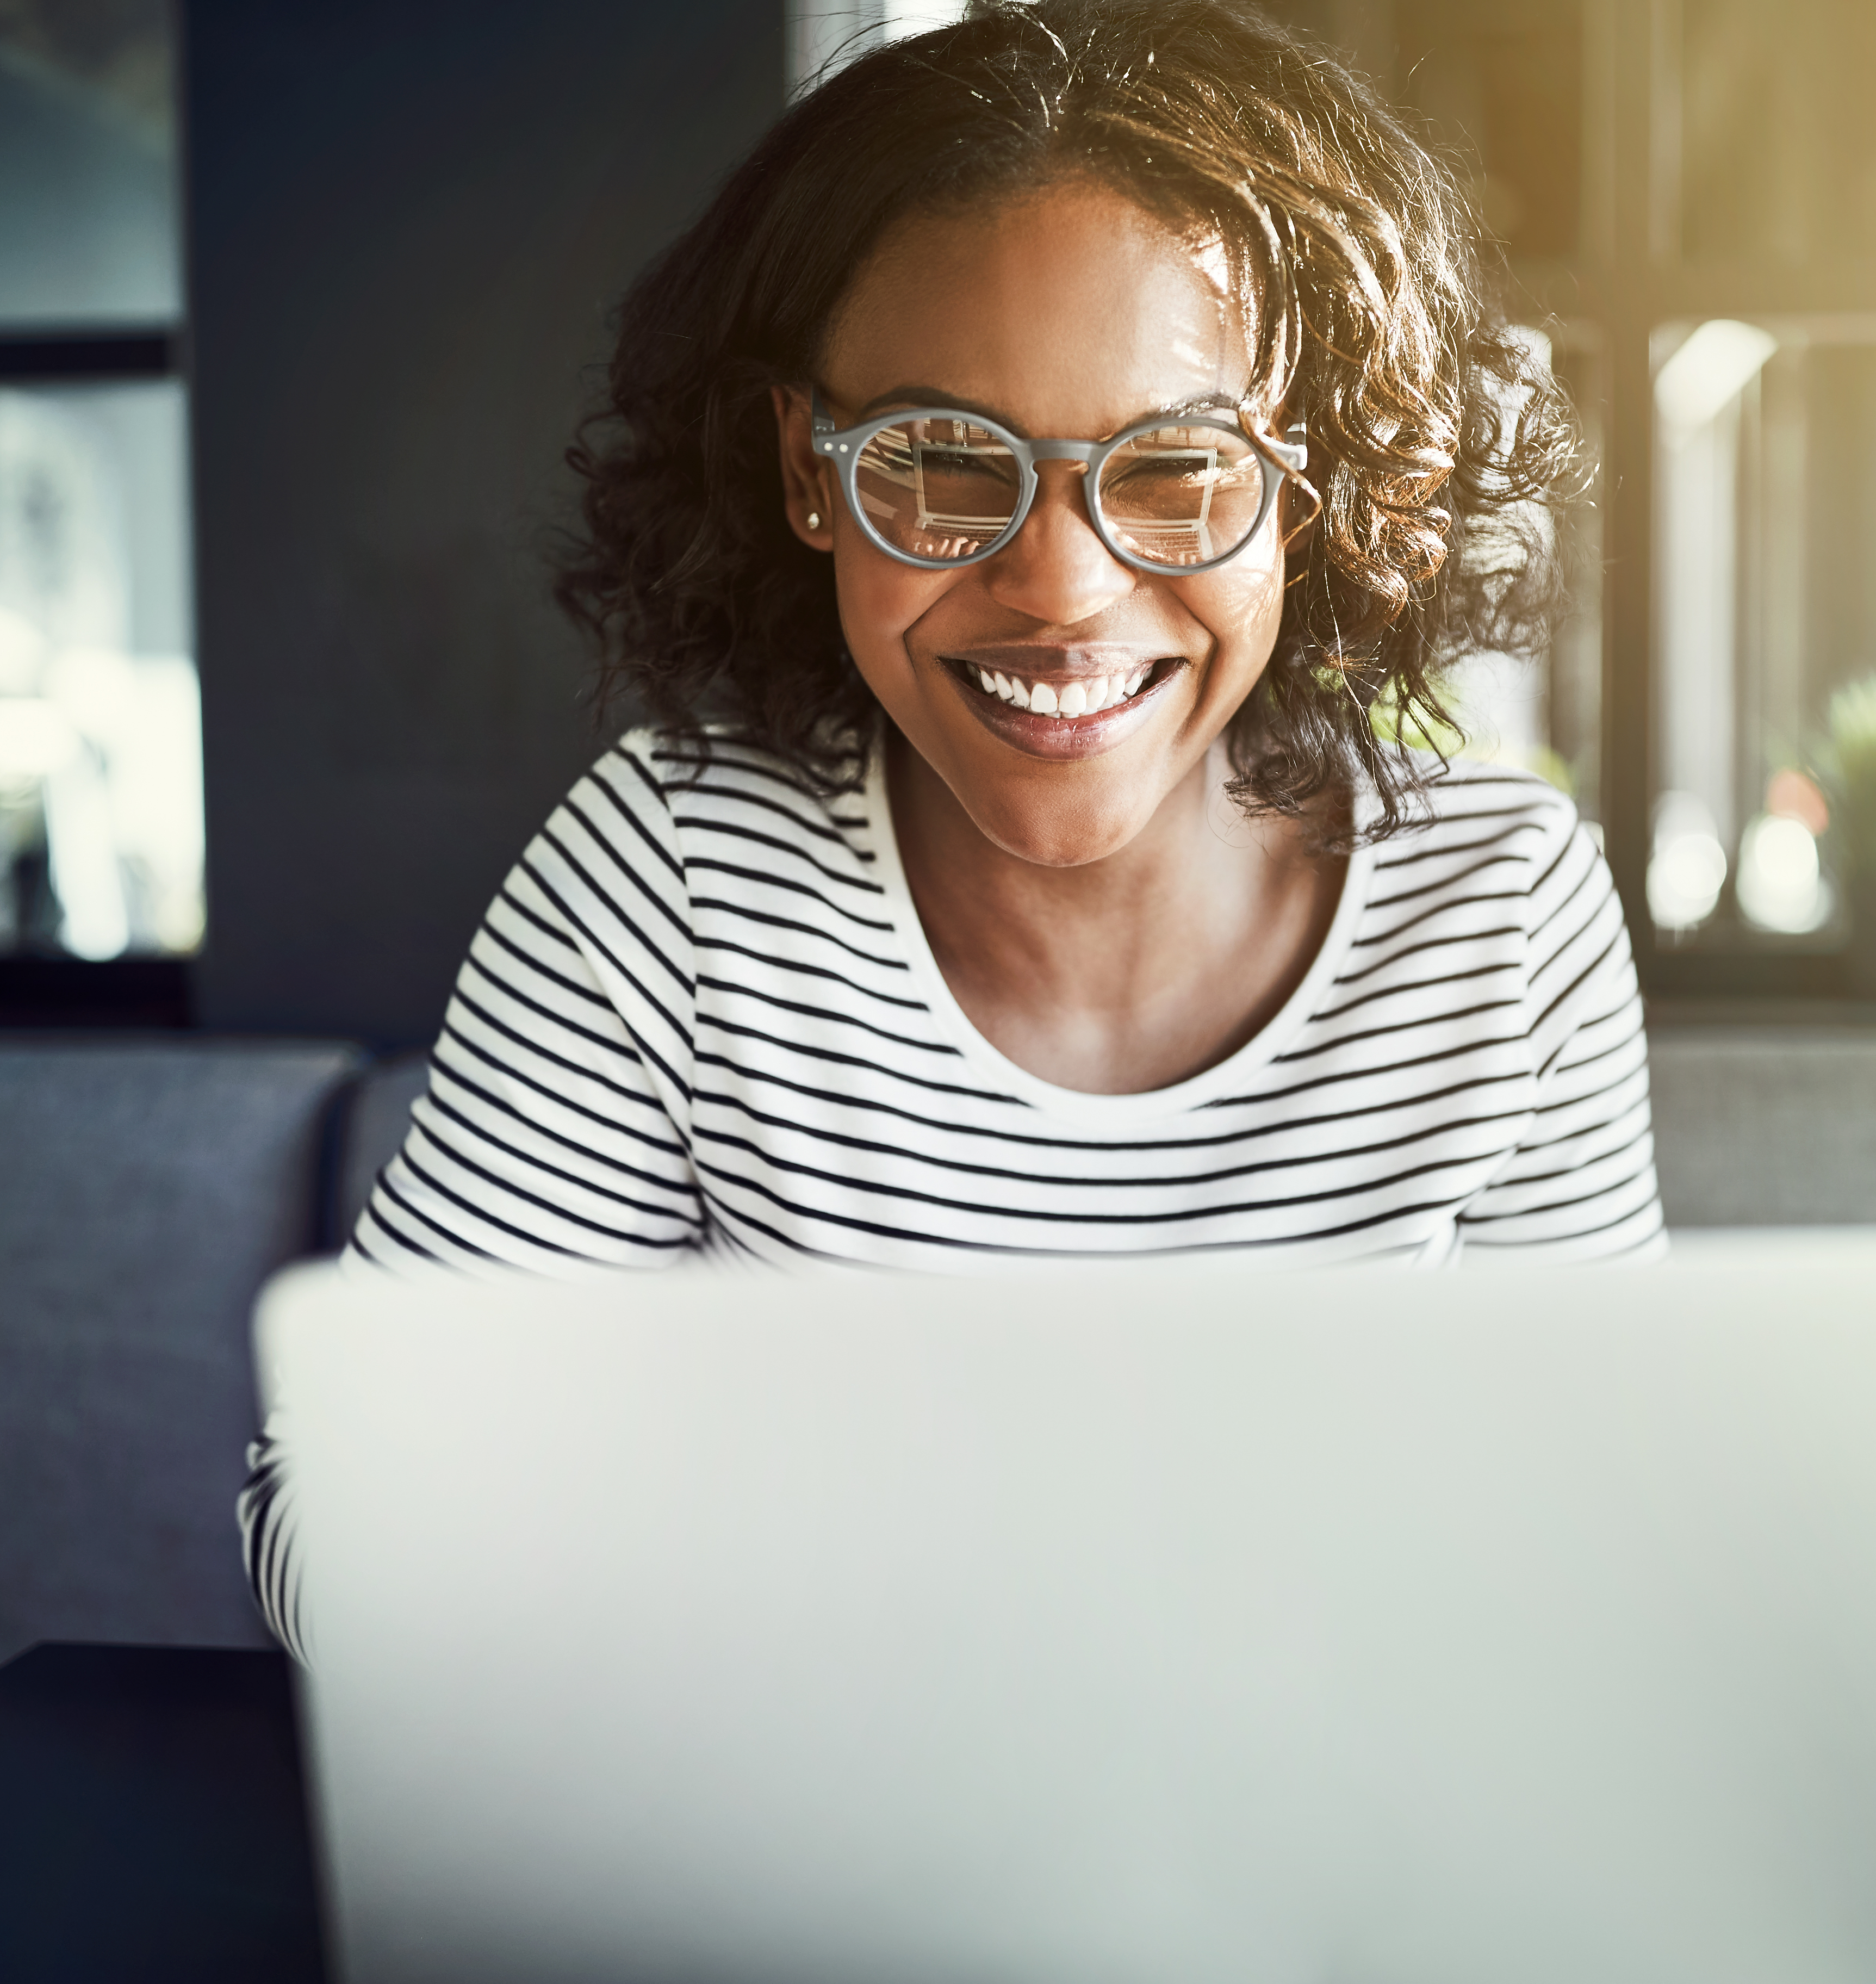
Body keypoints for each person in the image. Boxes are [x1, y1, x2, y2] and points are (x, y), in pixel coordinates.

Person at [246, 0, 1660, 1643]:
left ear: (1312, 484)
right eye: (938, 462)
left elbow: (1601, 1549)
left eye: (1179, 469)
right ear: (805, 468)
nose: (1060, 588)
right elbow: (318, 1532)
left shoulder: (1500, 920)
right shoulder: (676, 876)